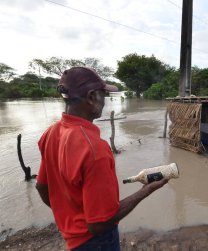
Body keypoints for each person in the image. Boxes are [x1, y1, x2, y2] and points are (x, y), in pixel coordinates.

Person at [35, 66, 168, 251]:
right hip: (95, 243)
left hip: (71, 239)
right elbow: (99, 224)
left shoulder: (51, 132)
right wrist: (146, 191)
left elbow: (42, 187)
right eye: (103, 94)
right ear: (91, 97)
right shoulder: (94, 149)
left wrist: (69, 215)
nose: (105, 101)